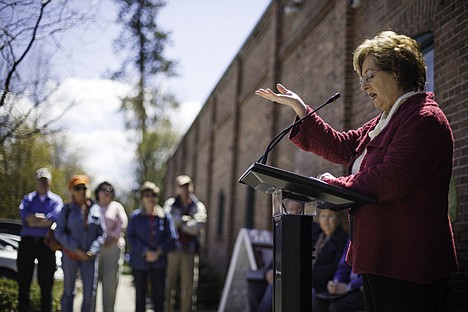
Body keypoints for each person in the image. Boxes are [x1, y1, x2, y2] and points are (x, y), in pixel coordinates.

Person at [255, 30, 458, 311]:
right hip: (380, 257)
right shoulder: (384, 121)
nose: (363, 86)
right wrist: (301, 110)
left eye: (370, 75)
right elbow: (342, 146)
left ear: (397, 70)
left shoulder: (424, 118)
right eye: (362, 78)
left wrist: (333, 185)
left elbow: (391, 178)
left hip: (409, 260)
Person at [55, 175, 106, 312]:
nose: (81, 191)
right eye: (78, 188)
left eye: (84, 187)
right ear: (72, 190)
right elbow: (59, 232)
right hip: (70, 255)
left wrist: (93, 250)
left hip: (89, 257)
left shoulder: (96, 208)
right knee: (68, 292)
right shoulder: (67, 209)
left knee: (89, 293)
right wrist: (75, 249)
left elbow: (102, 234)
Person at [127, 181, 178, 312]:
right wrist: (145, 252)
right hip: (140, 262)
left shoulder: (165, 216)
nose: (150, 198)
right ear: (142, 198)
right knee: (140, 297)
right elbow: (131, 238)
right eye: (147, 195)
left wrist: (159, 252)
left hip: (159, 263)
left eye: (153, 195)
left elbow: (172, 237)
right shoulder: (135, 217)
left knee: (159, 297)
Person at [17, 168, 63, 312]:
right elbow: (26, 218)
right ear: (36, 181)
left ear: (49, 182)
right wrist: (43, 219)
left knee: (46, 283)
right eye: (40, 180)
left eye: (45, 180)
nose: (42, 183)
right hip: (28, 242)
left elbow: (52, 220)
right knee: (24, 281)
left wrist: (34, 219)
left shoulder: (56, 200)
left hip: (46, 244)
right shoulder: (28, 199)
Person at [164, 175, 207, 312]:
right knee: (169, 286)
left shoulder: (198, 205)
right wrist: (185, 220)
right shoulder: (170, 204)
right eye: (181, 186)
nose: (184, 188)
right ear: (176, 187)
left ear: (191, 186)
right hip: (172, 251)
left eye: (187, 185)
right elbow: (168, 221)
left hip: (190, 252)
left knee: (188, 288)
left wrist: (180, 224)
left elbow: (198, 225)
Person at [94, 181, 128, 312]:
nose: (107, 191)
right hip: (96, 250)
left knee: (110, 286)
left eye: (110, 189)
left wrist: (112, 237)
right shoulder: (93, 206)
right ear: (98, 192)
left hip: (112, 249)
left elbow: (123, 224)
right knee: (92, 285)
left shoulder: (116, 206)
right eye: (103, 189)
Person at [313, 239, 364, 312]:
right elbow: (343, 267)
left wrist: (348, 287)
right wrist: (337, 282)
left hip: (361, 289)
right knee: (318, 301)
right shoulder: (351, 239)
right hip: (347, 286)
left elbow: (368, 276)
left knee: (336, 306)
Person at [312, 209, 348, 296]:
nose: (326, 220)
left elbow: (335, 266)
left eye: (330, 216)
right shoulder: (319, 236)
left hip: (327, 285)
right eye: (323, 216)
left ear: (338, 219)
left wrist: (309, 274)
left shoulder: (343, 239)